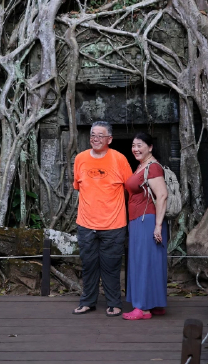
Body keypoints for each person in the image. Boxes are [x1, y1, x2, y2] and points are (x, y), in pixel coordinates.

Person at [72, 121, 132, 317]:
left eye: (100, 135)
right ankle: (87, 302)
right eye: (93, 135)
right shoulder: (80, 159)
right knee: (88, 265)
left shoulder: (119, 159)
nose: (95, 139)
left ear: (110, 139)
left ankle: (114, 303)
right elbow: (79, 187)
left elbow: (130, 189)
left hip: (114, 224)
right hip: (86, 224)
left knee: (111, 266)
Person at [122, 132, 169, 320]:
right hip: (139, 220)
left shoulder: (153, 167)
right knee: (150, 261)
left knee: (143, 263)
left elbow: (162, 195)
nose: (135, 149)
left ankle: (143, 308)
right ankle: (155, 303)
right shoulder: (142, 166)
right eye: (133, 145)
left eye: (140, 145)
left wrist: (157, 226)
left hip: (147, 221)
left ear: (150, 147)